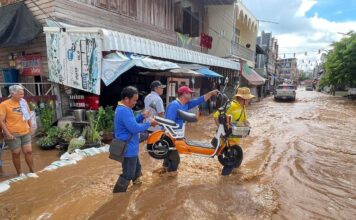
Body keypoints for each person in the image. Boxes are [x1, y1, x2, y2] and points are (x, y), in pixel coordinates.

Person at [162, 86, 219, 176]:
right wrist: (171, 139)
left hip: (177, 136)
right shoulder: (174, 105)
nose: (191, 94)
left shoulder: (185, 104)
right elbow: (168, 123)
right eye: (189, 93)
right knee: (175, 160)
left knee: (168, 159)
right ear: (184, 94)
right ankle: (170, 178)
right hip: (170, 136)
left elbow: (200, 99)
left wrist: (211, 93)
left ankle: (163, 173)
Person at [113, 86, 157, 193]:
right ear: (126, 99)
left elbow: (131, 123)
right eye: (134, 100)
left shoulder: (125, 109)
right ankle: (118, 194)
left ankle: (137, 184)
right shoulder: (124, 111)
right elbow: (134, 128)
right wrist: (149, 123)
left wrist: (142, 117)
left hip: (131, 146)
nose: (135, 103)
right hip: (128, 149)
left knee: (137, 167)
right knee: (128, 174)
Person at [213, 87, 255, 176]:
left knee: (238, 159)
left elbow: (244, 120)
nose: (249, 100)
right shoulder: (231, 105)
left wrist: (248, 125)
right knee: (230, 162)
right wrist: (222, 131)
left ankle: (233, 179)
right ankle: (223, 183)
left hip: (235, 141)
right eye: (248, 99)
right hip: (227, 141)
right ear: (242, 99)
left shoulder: (243, 107)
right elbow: (216, 116)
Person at [0, 85, 37, 178]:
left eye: (23, 93)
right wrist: (7, 133)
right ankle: (20, 173)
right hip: (13, 133)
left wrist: (31, 126)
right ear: (12, 94)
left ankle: (32, 171)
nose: (22, 95)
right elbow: (1, 120)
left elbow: (28, 115)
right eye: (20, 94)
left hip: (25, 131)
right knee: (16, 153)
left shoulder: (23, 102)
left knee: (28, 151)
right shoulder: (4, 104)